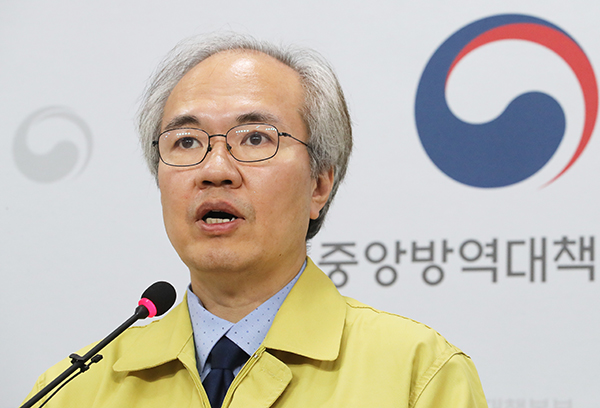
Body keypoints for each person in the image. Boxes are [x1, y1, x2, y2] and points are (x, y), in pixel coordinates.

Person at [23, 33, 488, 407]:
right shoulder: (74, 390)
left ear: (319, 185)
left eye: (255, 139)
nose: (215, 170)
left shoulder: (417, 376)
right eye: (186, 141)